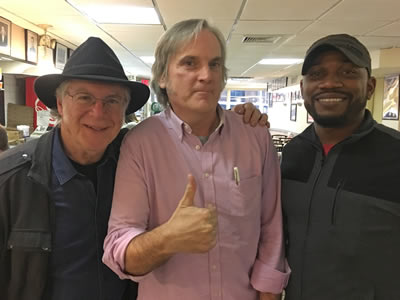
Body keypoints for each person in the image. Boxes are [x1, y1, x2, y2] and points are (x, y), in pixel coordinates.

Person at [0, 36, 267, 300]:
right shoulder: (10, 181)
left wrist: (238, 119)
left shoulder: (134, 159)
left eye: (113, 101)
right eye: (84, 97)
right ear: (60, 104)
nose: (98, 112)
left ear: (125, 110)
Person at [103, 19, 289, 300]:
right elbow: (118, 249)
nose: (206, 75)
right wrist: (168, 238)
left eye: (214, 64)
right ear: (163, 77)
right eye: (190, 63)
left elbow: (271, 229)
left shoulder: (254, 136)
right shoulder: (140, 143)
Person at [281, 34, 400, 300]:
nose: (330, 83)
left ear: (369, 86)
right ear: (303, 89)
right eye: (317, 73)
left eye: (347, 72)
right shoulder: (292, 154)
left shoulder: (395, 154)